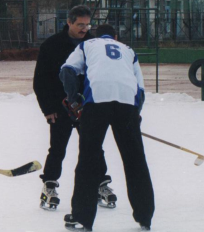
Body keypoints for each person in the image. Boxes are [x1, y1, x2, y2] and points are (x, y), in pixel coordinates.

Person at [59, 25, 154, 231]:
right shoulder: (128, 50)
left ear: (97, 36)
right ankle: (144, 215)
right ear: (116, 37)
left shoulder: (87, 45)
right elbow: (140, 88)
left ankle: (82, 217)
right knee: (135, 159)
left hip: (97, 100)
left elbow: (67, 71)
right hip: (127, 102)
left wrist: (73, 99)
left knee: (88, 159)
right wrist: (134, 114)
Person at [33, 5, 117, 210]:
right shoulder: (51, 45)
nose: (85, 29)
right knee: (58, 148)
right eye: (80, 25)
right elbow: (40, 81)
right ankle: (49, 185)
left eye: (88, 25)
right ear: (69, 22)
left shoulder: (92, 44)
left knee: (94, 146)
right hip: (60, 106)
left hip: (87, 106)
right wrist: (48, 108)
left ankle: (101, 184)